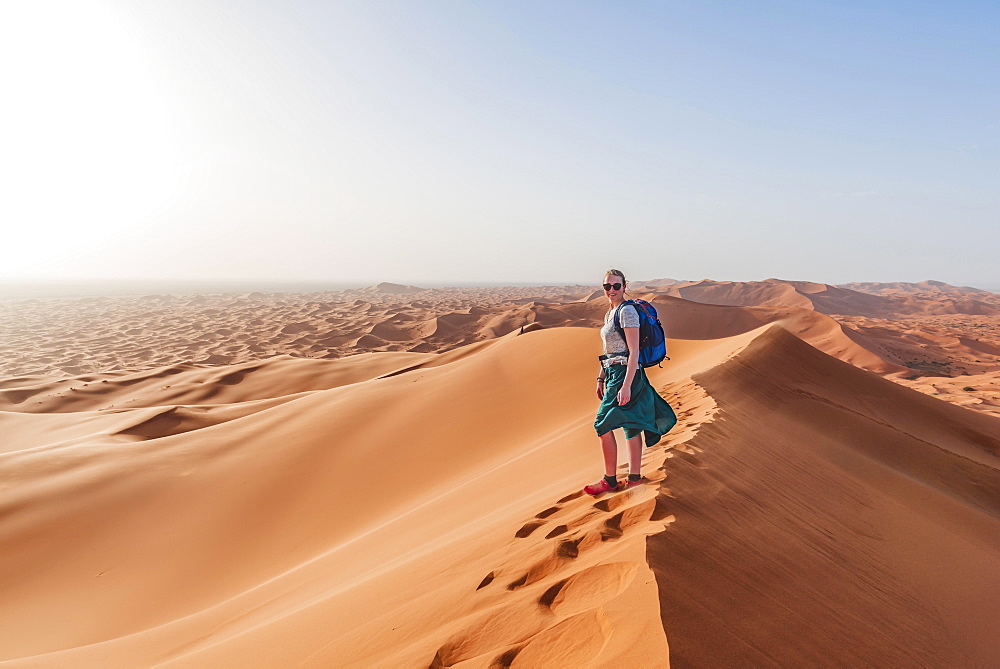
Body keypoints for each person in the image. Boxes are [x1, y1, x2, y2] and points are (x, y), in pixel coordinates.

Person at [584, 269, 678, 495]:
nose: (612, 290)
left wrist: (626, 385)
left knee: (602, 424)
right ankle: (634, 478)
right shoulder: (611, 312)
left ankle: (609, 480)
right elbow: (609, 351)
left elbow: (634, 351)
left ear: (625, 286)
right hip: (614, 372)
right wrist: (601, 377)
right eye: (608, 286)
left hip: (628, 374)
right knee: (631, 424)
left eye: (616, 286)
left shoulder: (627, 312)